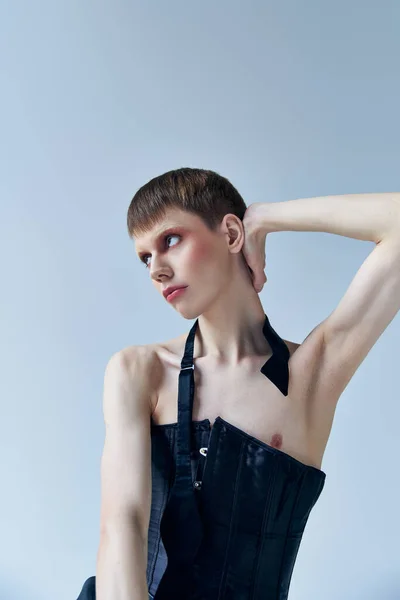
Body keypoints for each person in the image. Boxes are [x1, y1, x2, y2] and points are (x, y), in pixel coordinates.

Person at [76, 168, 400, 599]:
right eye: (145, 258)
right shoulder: (141, 370)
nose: (156, 269)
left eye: (170, 240)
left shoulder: (309, 377)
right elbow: (124, 523)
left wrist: (267, 217)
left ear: (231, 233)